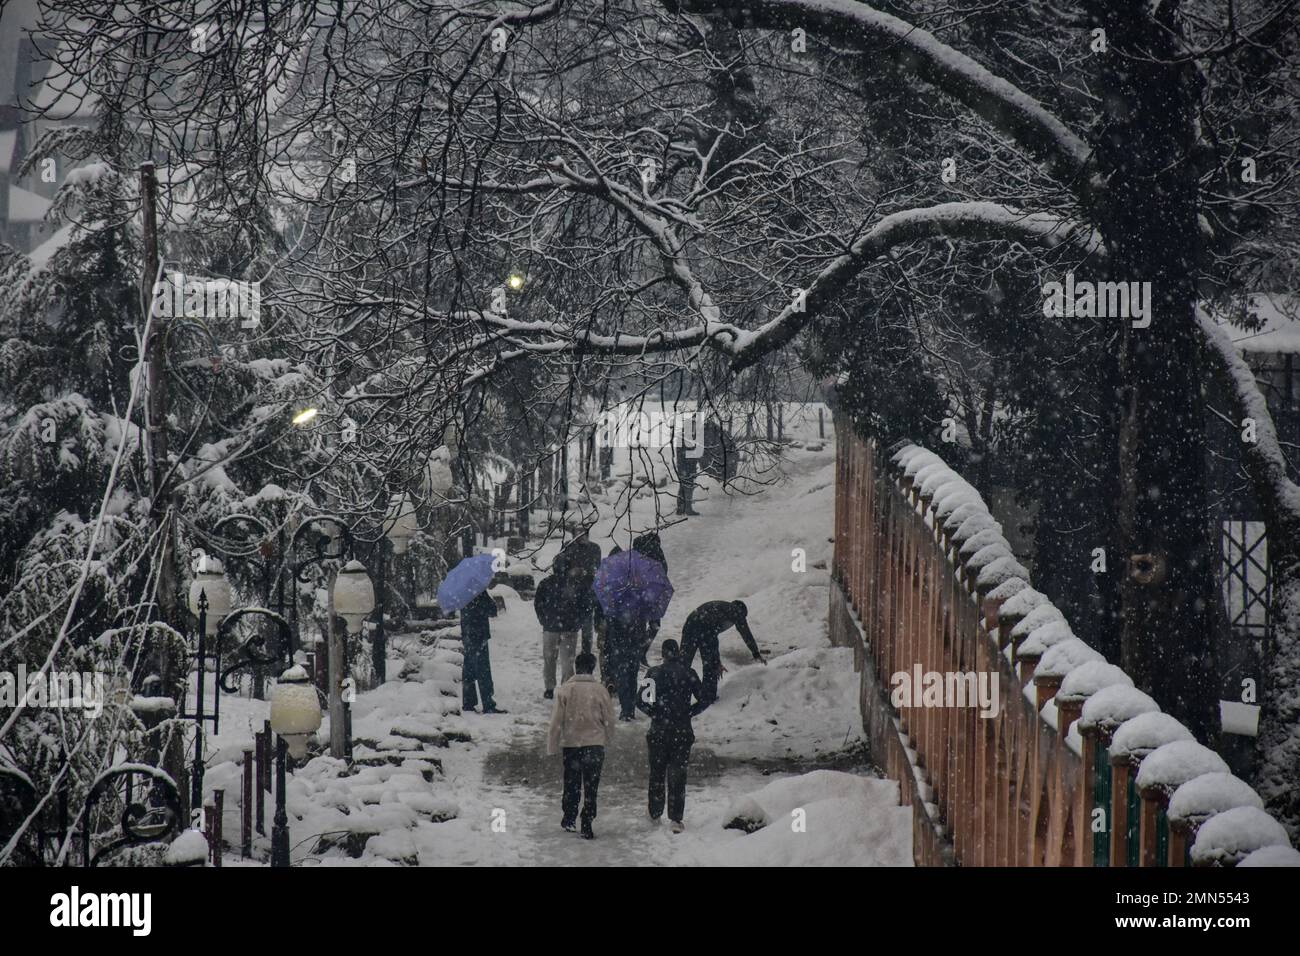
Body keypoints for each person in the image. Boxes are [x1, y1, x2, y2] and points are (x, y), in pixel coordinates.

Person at [636, 639, 706, 833]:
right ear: (678, 653)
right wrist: (689, 711)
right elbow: (704, 698)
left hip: (659, 730)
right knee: (678, 774)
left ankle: (655, 812)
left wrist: (656, 713)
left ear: (663, 654)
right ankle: (676, 818)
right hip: (682, 730)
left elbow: (640, 701)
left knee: (657, 772)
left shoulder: (653, 673)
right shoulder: (689, 673)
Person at [547, 652, 615, 839]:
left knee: (572, 782)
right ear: (593, 668)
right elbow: (609, 719)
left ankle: (569, 817)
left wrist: (552, 745)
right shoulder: (600, 690)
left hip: (572, 744)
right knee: (591, 785)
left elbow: (556, 722)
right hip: (594, 744)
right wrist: (608, 739)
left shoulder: (565, 690)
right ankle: (587, 818)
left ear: (576, 667)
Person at [680, 599, 766, 706]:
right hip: (705, 629)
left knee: (682, 665)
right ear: (741, 611)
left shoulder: (721, 607)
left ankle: (676, 694)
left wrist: (716, 661)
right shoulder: (736, 611)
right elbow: (745, 632)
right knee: (710, 666)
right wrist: (755, 653)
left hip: (690, 624)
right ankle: (708, 696)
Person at [535, 570, 587, 699]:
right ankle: (567, 688)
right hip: (569, 628)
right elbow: (584, 606)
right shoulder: (575, 584)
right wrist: (578, 622)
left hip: (551, 628)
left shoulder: (546, 583)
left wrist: (544, 620)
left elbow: (538, 603)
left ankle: (549, 687)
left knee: (549, 660)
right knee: (567, 661)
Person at [459, 588, 505, 714]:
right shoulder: (479, 591)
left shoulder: (462, 592)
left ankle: (468, 702)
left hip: (467, 634)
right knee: (483, 670)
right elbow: (492, 610)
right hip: (479, 634)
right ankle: (488, 703)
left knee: (468, 669)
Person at [556, 530, 601, 653]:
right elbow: (558, 568)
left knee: (587, 627)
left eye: (583, 534)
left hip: (587, 593)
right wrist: (570, 572)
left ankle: (585, 654)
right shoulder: (567, 547)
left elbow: (598, 568)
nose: (579, 537)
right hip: (570, 593)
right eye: (577, 533)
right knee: (570, 627)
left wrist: (588, 572)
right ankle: (568, 653)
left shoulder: (594, 548)